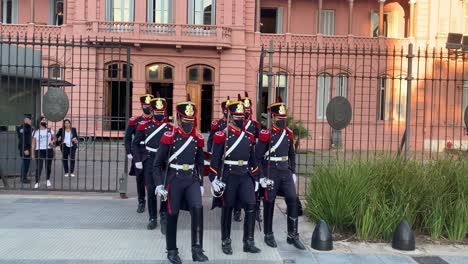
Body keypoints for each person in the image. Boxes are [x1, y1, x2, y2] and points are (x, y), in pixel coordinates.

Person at [154, 95, 208, 264]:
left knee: (198, 210)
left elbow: (200, 162)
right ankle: (171, 250)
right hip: (174, 179)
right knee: (172, 213)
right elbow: (157, 164)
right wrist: (158, 185)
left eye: (191, 120)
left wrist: (200, 183)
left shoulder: (197, 138)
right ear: (178, 119)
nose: (188, 123)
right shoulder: (169, 137)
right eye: (185, 119)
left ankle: (197, 249)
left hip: (191, 179)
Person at [209, 96, 261, 255]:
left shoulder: (248, 136)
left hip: (245, 175)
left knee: (251, 205)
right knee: (228, 207)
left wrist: (257, 177)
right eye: (237, 116)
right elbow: (215, 160)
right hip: (229, 175)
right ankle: (226, 240)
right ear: (230, 117)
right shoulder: (221, 136)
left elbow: (252, 159)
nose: (240, 119)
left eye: (242, 117)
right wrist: (214, 179)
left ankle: (249, 241)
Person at [255, 96, 305, 250]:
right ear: (274, 118)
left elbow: (292, 154)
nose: (282, 120)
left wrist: (293, 171)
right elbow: (257, 157)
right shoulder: (266, 134)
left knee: (292, 199)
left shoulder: (288, 134)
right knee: (269, 202)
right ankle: (268, 234)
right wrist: (262, 177)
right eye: (280, 117)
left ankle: (293, 235)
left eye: (284, 117)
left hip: (285, 171)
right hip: (272, 171)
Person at [133, 95, 172, 232]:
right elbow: (135, 143)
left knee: (164, 190)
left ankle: (163, 215)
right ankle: (152, 217)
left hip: (163, 162)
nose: (160, 115)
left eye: (162, 113)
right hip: (150, 161)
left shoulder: (169, 127)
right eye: (157, 112)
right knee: (150, 190)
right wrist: (137, 160)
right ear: (153, 111)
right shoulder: (144, 126)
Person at [231, 92, 261, 222]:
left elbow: (259, 140)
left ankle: (256, 211)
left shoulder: (254, 124)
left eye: (249, 109)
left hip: (250, 156)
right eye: (245, 109)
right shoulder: (237, 123)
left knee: (254, 187)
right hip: (238, 157)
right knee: (237, 187)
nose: (247, 112)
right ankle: (237, 210)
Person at [125, 94, 154, 213]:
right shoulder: (135, 121)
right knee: (140, 179)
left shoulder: (155, 121)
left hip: (152, 154)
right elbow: (128, 138)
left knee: (153, 180)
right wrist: (129, 152)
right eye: (145, 105)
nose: (147, 107)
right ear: (142, 106)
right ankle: (141, 201)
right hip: (139, 154)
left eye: (149, 105)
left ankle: (155, 202)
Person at [31, 116, 55, 189]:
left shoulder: (49, 130)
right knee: (39, 167)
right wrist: (32, 154)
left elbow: (55, 138)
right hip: (39, 150)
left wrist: (52, 141)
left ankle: (47, 180)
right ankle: (37, 182)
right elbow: (33, 144)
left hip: (48, 150)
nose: (45, 121)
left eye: (45, 120)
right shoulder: (35, 131)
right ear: (39, 122)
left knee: (48, 166)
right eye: (43, 120)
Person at [16, 114, 33, 184]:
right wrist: (25, 149)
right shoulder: (23, 127)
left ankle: (24, 177)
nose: (30, 121)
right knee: (25, 163)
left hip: (28, 147)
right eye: (28, 120)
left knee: (27, 162)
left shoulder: (28, 127)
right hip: (25, 148)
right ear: (25, 120)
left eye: (30, 120)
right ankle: (23, 178)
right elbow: (22, 139)